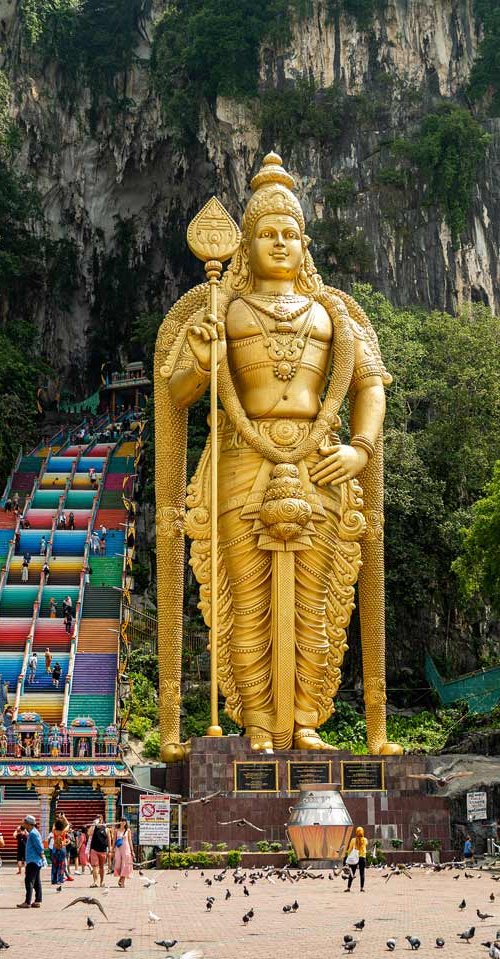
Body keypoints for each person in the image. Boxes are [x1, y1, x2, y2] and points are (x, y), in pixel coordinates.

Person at [158, 151, 401, 755]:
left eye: (289, 233)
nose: (279, 242)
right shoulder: (223, 308)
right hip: (244, 458)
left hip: (321, 462)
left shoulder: (334, 312)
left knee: (317, 603)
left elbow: (370, 383)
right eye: (266, 232)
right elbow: (178, 392)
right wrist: (201, 354)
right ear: (245, 244)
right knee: (247, 600)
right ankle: (259, 727)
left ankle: (306, 722)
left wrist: (362, 449)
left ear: (305, 241)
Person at [17, 815, 45, 908]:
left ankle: (27, 901)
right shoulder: (33, 832)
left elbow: (39, 846)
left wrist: (42, 856)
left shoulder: (33, 833)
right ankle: (37, 900)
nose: (23, 823)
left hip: (33, 861)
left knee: (28, 881)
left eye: (24, 822)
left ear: (28, 824)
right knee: (36, 881)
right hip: (35, 861)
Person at [87, 816, 111, 888]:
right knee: (95, 866)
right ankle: (95, 882)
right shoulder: (94, 828)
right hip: (94, 850)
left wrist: (110, 850)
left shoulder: (106, 829)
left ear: (102, 819)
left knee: (102, 867)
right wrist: (93, 824)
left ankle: (102, 881)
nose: (98, 819)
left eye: (99, 818)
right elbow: (89, 833)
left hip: (103, 850)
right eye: (97, 818)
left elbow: (109, 840)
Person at [344, 826, 368, 893]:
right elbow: (365, 845)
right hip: (362, 858)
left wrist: (348, 857)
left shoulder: (353, 840)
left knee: (352, 873)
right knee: (362, 873)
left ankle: (348, 888)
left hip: (354, 858)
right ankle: (362, 888)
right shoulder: (365, 840)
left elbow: (349, 850)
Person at [113, 819, 135, 888]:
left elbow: (130, 840)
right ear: (119, 822)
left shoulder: (128, 830)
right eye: (122, 821)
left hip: (126, 848)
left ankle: (122, 881)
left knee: (125, 864)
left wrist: (132, 851)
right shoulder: (116, 830)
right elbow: (114, 840)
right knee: (118, 864)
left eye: (124, 821)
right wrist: (112, 848)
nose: (123, 822)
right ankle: (120, 879)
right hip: (118, 849)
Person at [51, 817, 68, 888]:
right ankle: (60, 879)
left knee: (55, 864)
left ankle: (53, 879)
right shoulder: (63, 831)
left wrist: (56, 821)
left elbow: (54, 826)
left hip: (55, 848)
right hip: (62, 848)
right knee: (61, 864)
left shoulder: (54, 831)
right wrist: (64, 817)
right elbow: (67, 824)